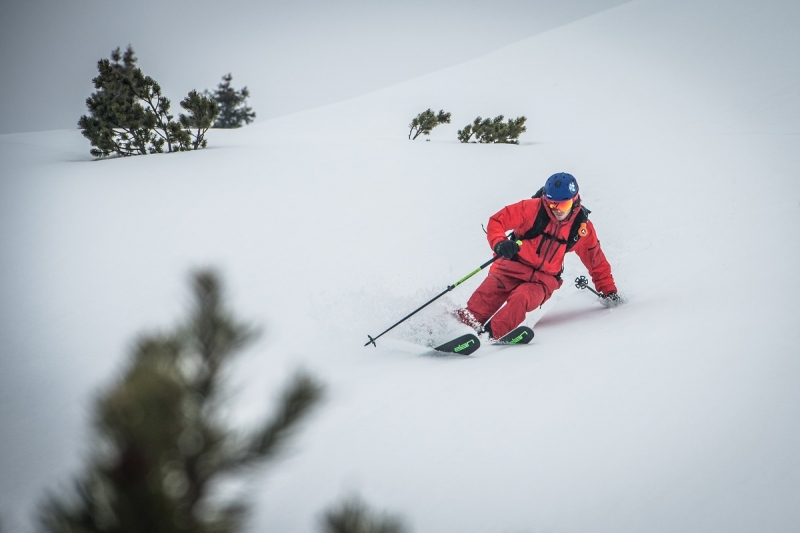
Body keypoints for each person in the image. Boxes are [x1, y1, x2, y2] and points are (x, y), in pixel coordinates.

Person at [455, 172, 619, 340]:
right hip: (510, 268)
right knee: (484, 298)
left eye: (563, 206)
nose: (557, 211)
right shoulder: (531, 209)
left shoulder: (581, 228)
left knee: (521, 298)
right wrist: (500, 243)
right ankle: (454, 331)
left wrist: (609, 291)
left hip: (542, 281)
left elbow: (596, 261)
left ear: (575, 200)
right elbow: (497, 221)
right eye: (552, 205)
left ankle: (488, 336)